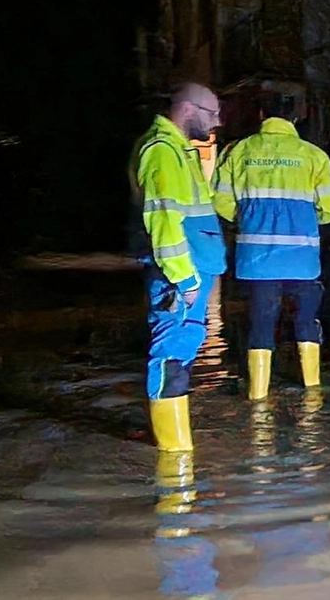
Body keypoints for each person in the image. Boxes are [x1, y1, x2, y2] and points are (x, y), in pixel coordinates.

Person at [213, 95, 330, 400]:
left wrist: (248, 218)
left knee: (261, 323)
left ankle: (258, 396)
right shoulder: (313, 156)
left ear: (260, 114)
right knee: (306, 321)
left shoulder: (238, 151)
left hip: (258, 259)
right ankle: (313, 391)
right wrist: (307, 220)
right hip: (302, 258)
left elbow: (220, 201)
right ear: (296, 117)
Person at [131, 82, 228, 453]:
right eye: (212, 113)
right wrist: (184, 278)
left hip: (191, 274)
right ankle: (175, 461)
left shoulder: (178, 151)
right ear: (188, 109)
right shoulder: (162, 152)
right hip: (181, 277)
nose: (217, 122)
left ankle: (175, 448)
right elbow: (163, 221)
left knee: (181, 351)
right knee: (171, 356)